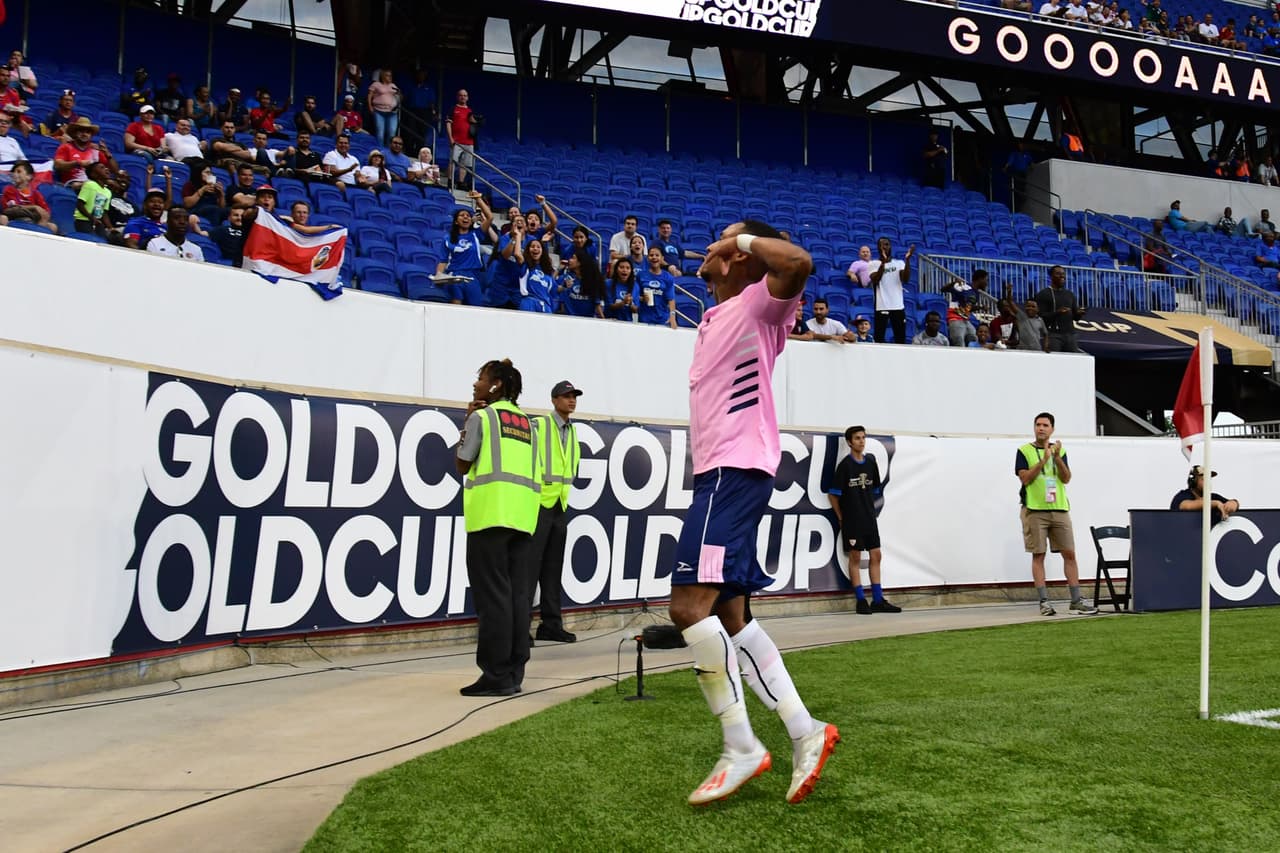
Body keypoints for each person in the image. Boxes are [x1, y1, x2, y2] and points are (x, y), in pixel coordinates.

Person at [672, 219, 839, 806]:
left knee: (688, 606)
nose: (713, 245)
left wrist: (740, 242)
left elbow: (797, 261)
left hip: (732, 474)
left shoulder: (760, 304)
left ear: (744, 260)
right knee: (732, 615)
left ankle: (741, 746)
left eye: (727, 239)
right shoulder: (718, 315)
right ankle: (805, 731)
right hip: (722, 475)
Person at [454, 358, 541, 697]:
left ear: (496, 385)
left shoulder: (482, 416)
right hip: (523, 518)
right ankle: (514, 671)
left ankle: (495, 674)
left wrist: (466, 421)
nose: (476, 384)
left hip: (490, 516)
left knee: (493, 600)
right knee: (518, 597)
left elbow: (463, 463)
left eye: (481, 378)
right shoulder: (528, 423)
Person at [1016, 412, 1097, 616]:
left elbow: (1066, 478)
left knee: (1069, 553)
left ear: (1052, 429)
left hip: (1059, 508)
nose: (1041, 428)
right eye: (1038, 424)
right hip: (1035, 510)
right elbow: (1025, 478)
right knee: (1039, 555)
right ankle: (1044, 602)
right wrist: (1043, 460)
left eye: (1045, 425)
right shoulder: (1024, 451)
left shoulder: (1060, 450)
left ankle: (1076, 600)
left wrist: (1057, 458)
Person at [528, 380, 583, 644]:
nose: (571, 400)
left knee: (552, 569)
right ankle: (519, 628)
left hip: (560, 505)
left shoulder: (571, 431)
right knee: (528, 570)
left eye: (574, 396)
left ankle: (551, 624)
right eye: (566, 396)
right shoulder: (539, 425)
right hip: (538, 505)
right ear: (554, 400)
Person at [828, 425, 901, 616]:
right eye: (857, 438)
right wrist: (841, 517)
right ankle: (861, 600)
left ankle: (878, 600)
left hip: (869, 519)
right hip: (852, 520)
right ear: (849, 442)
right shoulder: (845, 466)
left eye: (863, 437)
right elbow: (833, 495)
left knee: (876, 555)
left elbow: (875, 490)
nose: (861, 441)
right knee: (855, 557)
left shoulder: (870, 462)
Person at [436, 194, 493, 306]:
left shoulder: (476, 234)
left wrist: (478, 199)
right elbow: (443, 260)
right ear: (456, 221)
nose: (466, 217)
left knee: (476, 308)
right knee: (456, 305)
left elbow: (490, 217)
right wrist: (438, 275)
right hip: (455, 276)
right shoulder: (448, 238)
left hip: (473, 276)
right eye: (462, 215)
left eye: (468, 215)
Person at [868, 236, 912, 343]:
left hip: (897, 306)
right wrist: (883, 263)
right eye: (881, 245)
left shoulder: (899, 263)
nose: (884, 247)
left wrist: (907, 260)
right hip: (881, 305)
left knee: (900, 338)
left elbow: (905, 279)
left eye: (887, 244)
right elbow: (876, 279)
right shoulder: (873, 264)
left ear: (890, 246)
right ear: (878, 248)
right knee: (879, 338)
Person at [1033, 265, 1085, 353]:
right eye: (1058, 274)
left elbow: (1075, 318)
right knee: (1055, 362)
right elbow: (1040, 316)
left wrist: (1079, 313)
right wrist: (1057, 312)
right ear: (1051, 276)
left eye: (1063, 274)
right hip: (1053, 335)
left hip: (1070, 335)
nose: (1062, 276)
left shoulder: (1070, 294)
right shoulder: (1044, 294)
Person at [1170, 466, 1239, 525]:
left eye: (1209, 479)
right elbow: (1186, 505)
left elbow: (1232, 503)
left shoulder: (1213, 497)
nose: (1208, 482)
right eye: (1204, 479)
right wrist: (1215, 503)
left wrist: (1233, 503)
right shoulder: (1183, 495)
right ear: (1193, 482)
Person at [1, 161, 57, 232]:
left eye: (19, 172)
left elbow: (46, 211)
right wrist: (34, 207)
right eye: (14, 172)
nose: (15, 174)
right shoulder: (9, 189)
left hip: (33, 220)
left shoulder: (36, 194)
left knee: (53, 226)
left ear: (29, 176)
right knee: (3, 218)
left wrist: (42, 220)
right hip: (14, 218)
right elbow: (13, 208)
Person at [556, 248, 606, 318]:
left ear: (580, 263)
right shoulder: (568, 280)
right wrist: (558, 269)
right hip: (568, 320)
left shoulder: (592, 283)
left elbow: (597, 306)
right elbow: (552, 287)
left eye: (573, 258)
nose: (569, 260)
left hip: (587, 322)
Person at [636, 245, 677, 328]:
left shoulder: (668, 277)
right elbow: (635, 295)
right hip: (644, 319)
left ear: (662, 258)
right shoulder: (641, 275)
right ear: (647, 258)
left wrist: (672, 317)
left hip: (662, 319)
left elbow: (671, 299)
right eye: (651, 255)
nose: (654, 257)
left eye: (657, 255)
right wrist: (642, 298)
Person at [446, 89, 477, 189]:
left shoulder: (470, 111)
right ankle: (450, 181)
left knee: (464, 164)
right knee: (453, 161)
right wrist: (450, 138)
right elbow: (448, 124)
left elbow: (473, 125)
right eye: (461, 95)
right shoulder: (453, 109)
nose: (463, 97)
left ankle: (460, 182)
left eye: (465, 95)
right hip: (457, 141)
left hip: (469, 142)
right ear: (457, 97)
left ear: (467, 98)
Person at [517, 238, 557, 313]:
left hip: (546, 306)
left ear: (542, 251)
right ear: (528, 250)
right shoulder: (526, 266)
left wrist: (566, 285)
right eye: (532, 246)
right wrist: (518, 236)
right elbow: (517, 254)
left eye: (538, 247)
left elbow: (555, 288)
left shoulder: (547, 272)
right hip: (529, 303)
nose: (535, 248)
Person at [368, 69, 401, 146]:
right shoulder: (376, 84)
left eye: (390, 75)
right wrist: (370, 106)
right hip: (379, 111)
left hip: (392, 112)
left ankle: (389, 150)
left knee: (392, 132)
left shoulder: (393, 86)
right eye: (387, 75)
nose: (389, 77)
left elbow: (399, 95)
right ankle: (380, 150)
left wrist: (398, 97)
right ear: (382, 76)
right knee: (380, 133)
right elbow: (369, 95)